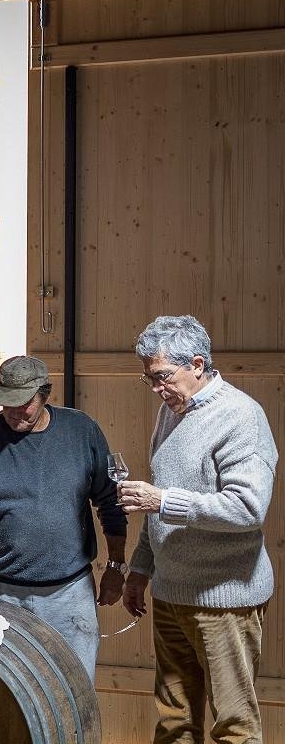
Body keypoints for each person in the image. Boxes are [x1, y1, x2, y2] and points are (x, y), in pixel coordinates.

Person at [120, 315, 276, 744]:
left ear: (197, 363)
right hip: (170, 595)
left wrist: (162, 501)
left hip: (222, 601)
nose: (157, 389)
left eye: (163, 377)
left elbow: (246, 508)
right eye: (149, 379)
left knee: (234, 727)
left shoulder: (241, 417)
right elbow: (159, 504)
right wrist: (140, 570)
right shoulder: (171, 412)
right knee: (174, 723)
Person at [0, 355, 127, 682]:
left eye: (24, 403)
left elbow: (110, 502)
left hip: (69, 595)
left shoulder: (82, 432)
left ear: (45, 394)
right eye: (6, 404)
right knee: (0, 694)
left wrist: (116, 566)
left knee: (73, 697)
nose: (14, 412)